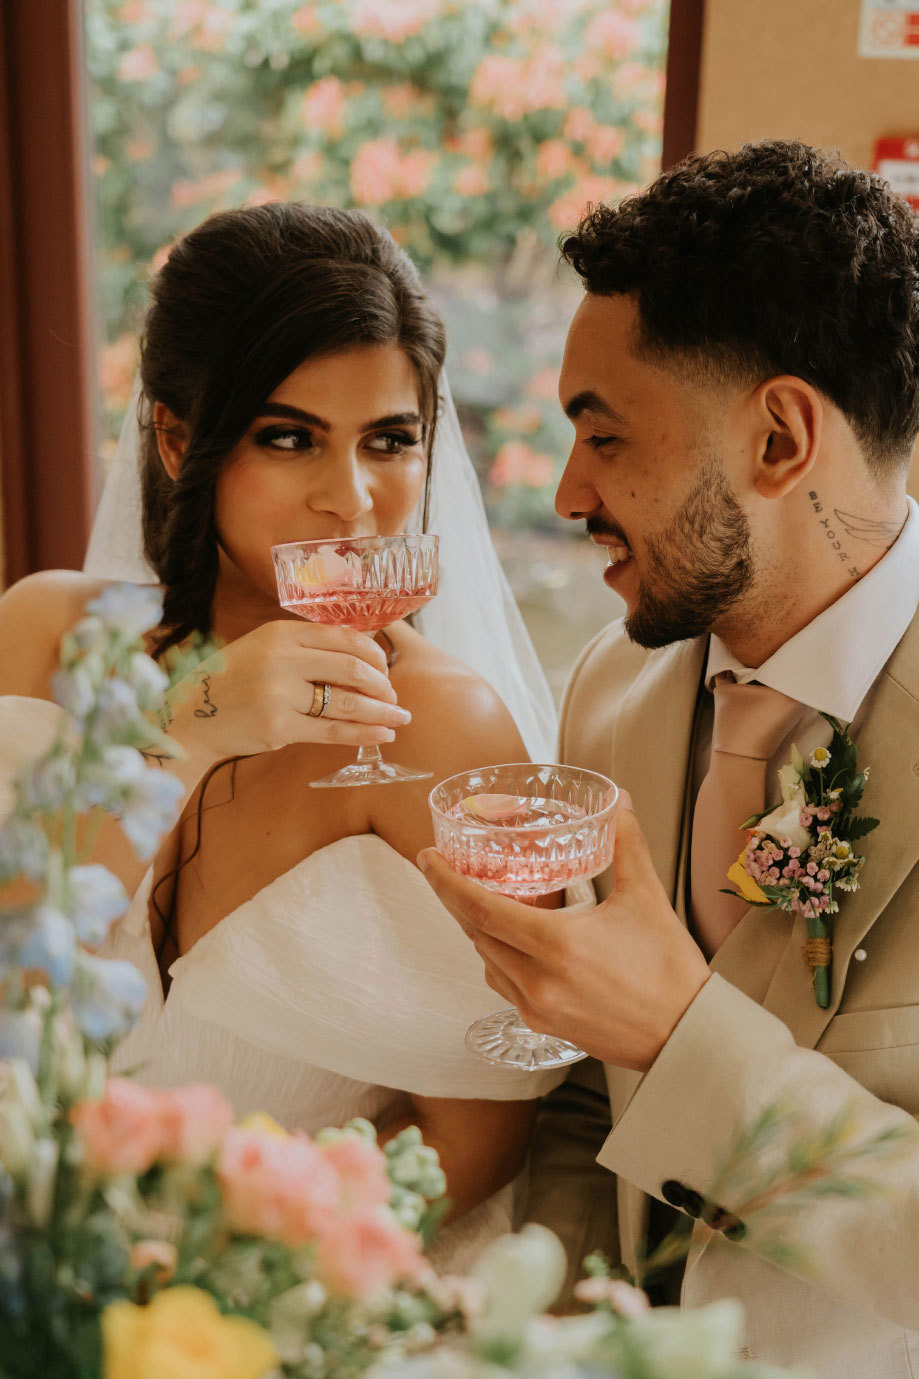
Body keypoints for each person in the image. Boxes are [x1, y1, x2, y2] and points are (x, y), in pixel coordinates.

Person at [419, 140, 919, 1370]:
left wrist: (680, 1030)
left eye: (602, 434)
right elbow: (593, 1099)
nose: (568, 491)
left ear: (778, 438)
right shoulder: (610, 688)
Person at [0, 202, 563, 1270]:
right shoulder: (42, 636)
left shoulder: (444, 726)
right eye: (289, 436)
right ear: (178, 436)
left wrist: (214, 1298)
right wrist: (188, 728)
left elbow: (472, 1138)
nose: (349, 500)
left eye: (390, 441)